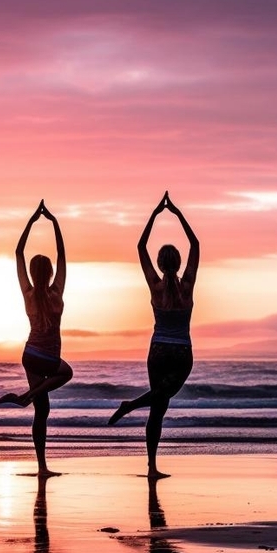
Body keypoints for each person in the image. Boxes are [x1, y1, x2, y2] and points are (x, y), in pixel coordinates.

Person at [108, 191, 199, 480]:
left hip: (158, 352)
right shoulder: (187, 286)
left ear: (160, 264)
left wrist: (156, 214)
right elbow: (196, 244)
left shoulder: (155, 286)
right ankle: (132, 409)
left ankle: (151, 466)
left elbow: (140, 245)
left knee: (158, 408)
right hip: (182, 354)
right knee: (160, 404)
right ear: (178, 261)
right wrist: (177, 213)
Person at [0, 201, 73, 476]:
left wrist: (31, 221)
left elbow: (18, 252)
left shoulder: (28, 292)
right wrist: (53, 223)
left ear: (32, 273)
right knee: (67, 373)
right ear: (51, 273)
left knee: (42, 411)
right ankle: (27, 396)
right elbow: (63, 255)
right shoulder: (57, 293)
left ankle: (42, 468)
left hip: (31, 355)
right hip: (49, 358)